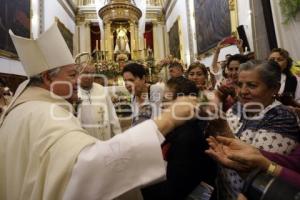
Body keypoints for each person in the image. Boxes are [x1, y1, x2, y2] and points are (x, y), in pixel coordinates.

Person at [0, 23, 198, 200]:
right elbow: (92, 171)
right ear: (47, 78)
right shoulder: (43, 115)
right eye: (72, 75)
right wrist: (168, 120)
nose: (78, 81)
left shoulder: (21, 107)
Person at [211, 60, 300, 200]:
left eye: (252, 85)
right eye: (239, 85)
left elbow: (256, 169)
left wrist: (223, 130)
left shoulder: (281, 116)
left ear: (274, 89)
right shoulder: (237, 107)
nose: (243, 91)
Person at [142, 77, 217, 200]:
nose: (161, 105)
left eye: (166, 100)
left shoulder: (188, 137)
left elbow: (175, 189)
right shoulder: (179, 128)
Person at [206, 136, 300, 188]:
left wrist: (268, 166)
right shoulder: (235, 110)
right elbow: (295, 162)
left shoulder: (282, 116)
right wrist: (254, 152)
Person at [77, 63, 122, 140]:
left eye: (92, 73)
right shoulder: (75, 92)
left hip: (104, 139)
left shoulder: (101, 90)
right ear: (78, 73)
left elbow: (112, 115)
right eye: (86, 73)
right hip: (84, 139)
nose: (89, 76)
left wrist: (118, 136)